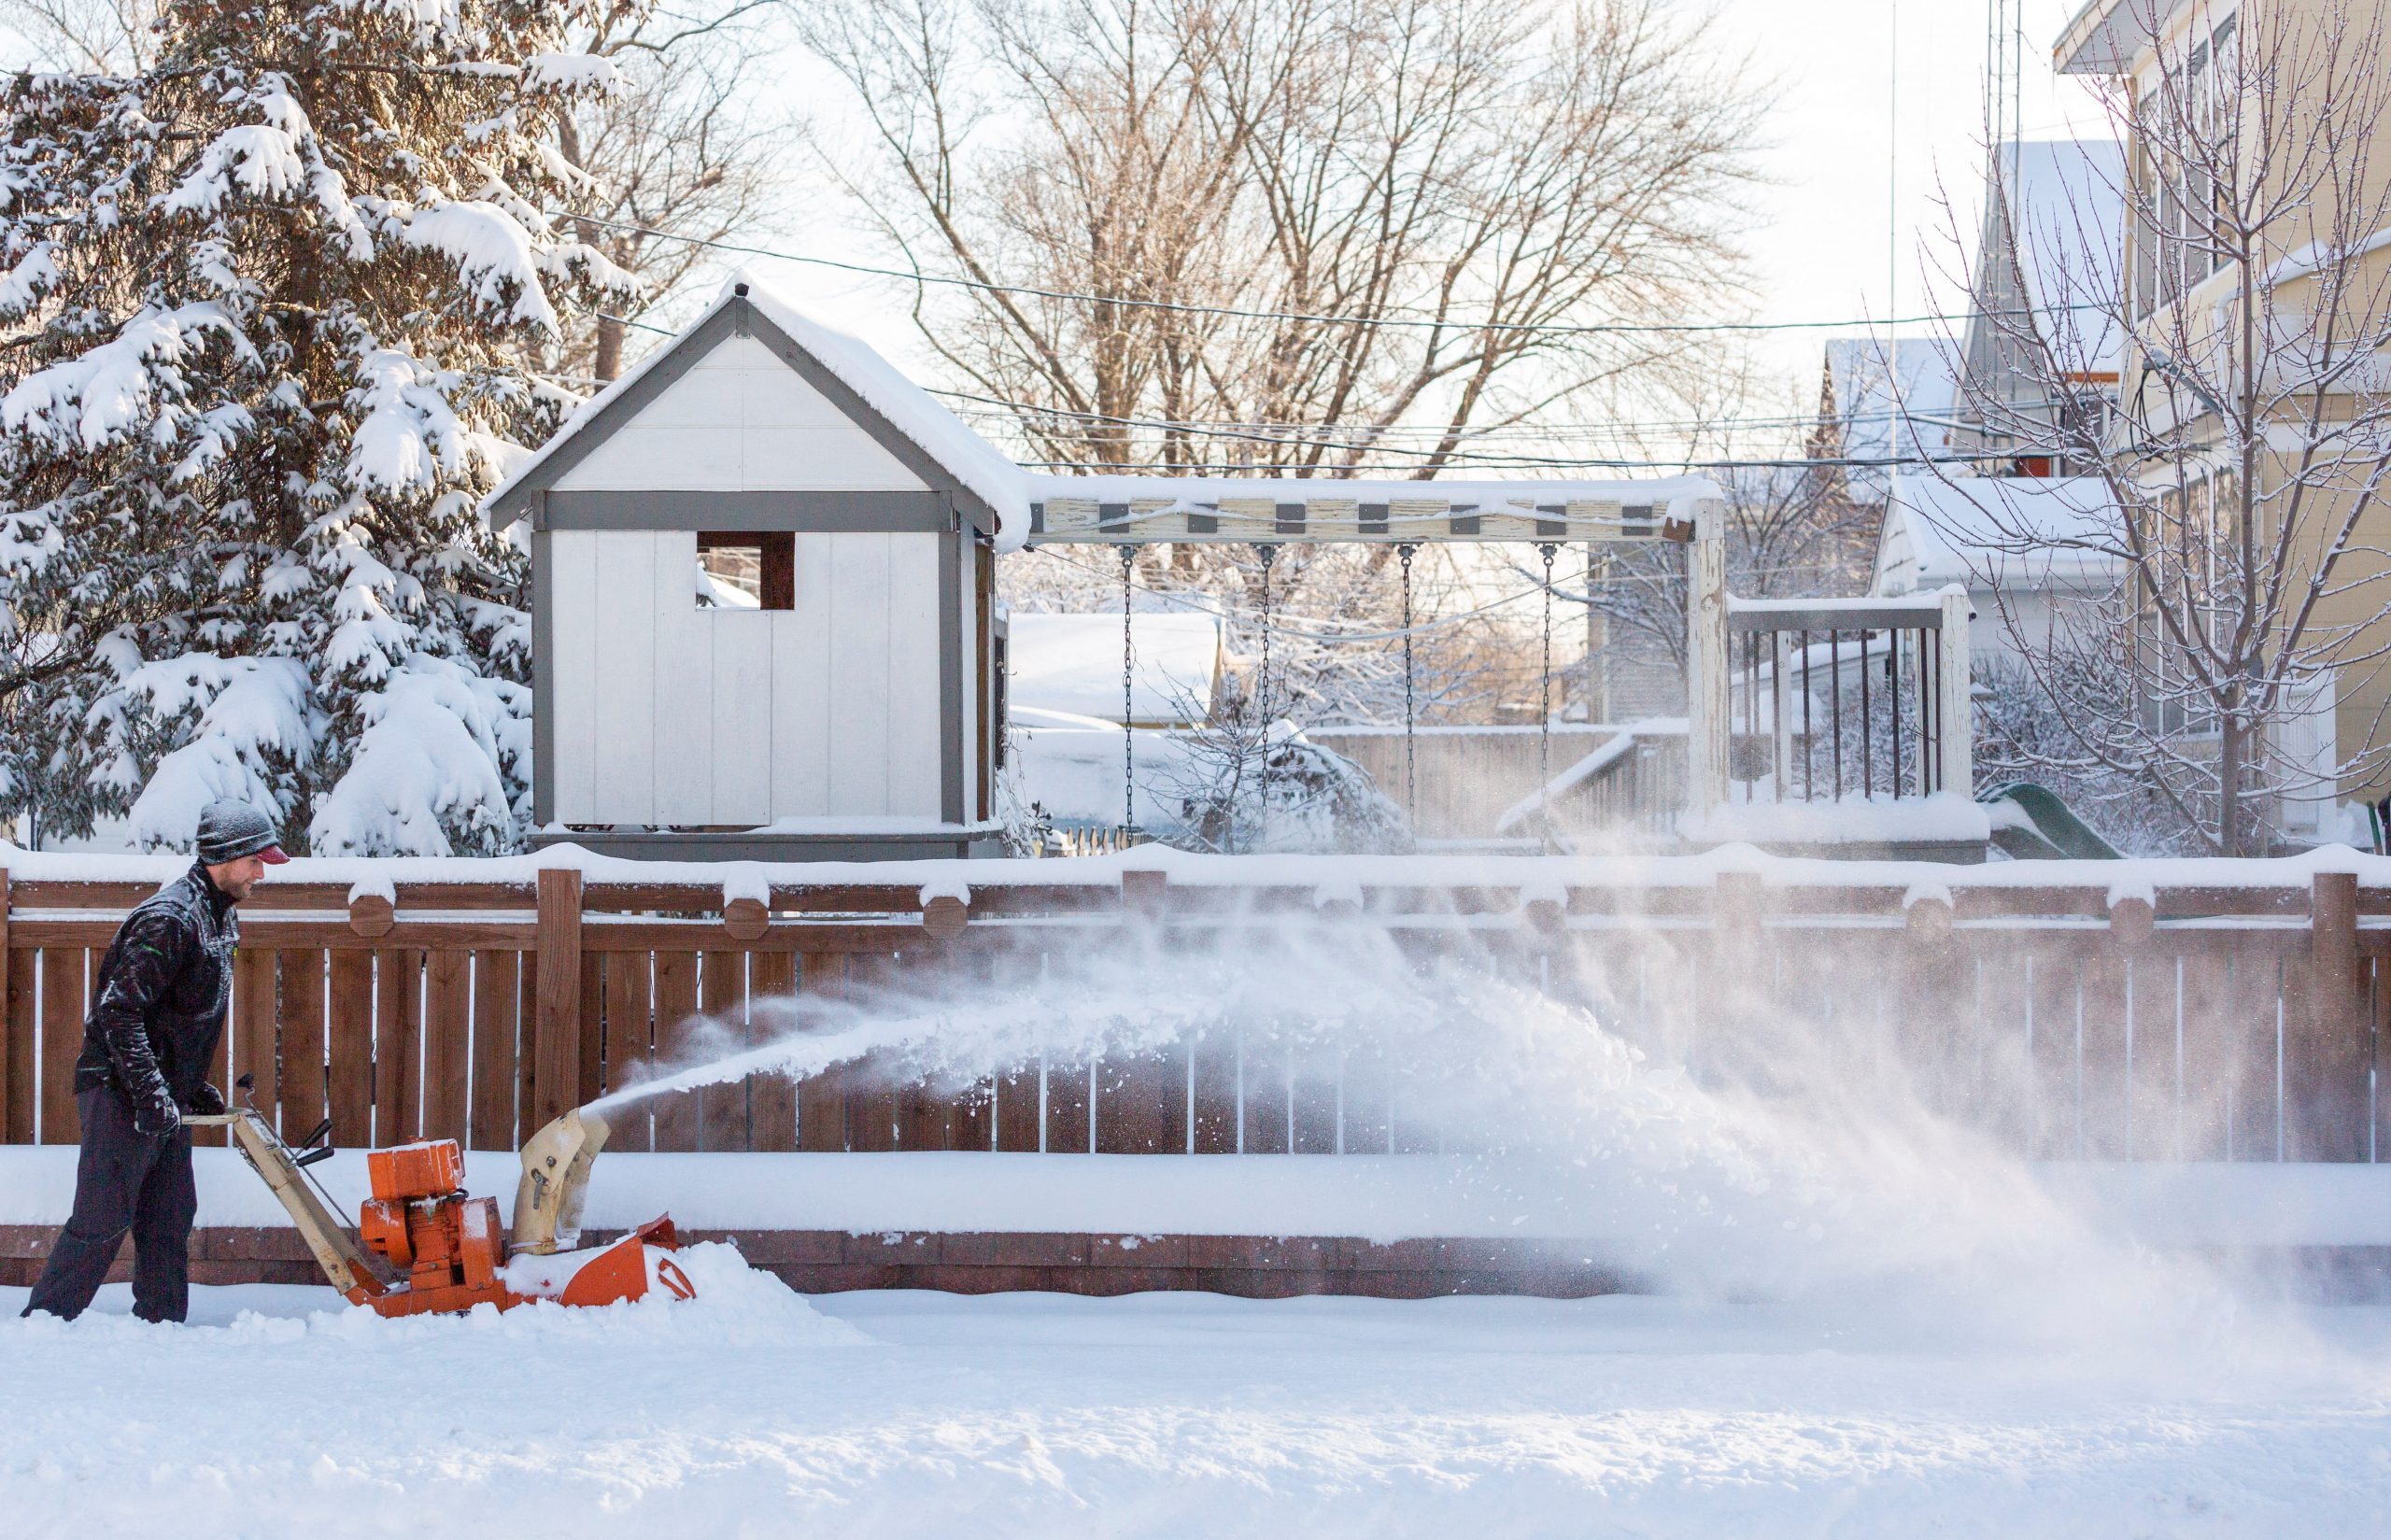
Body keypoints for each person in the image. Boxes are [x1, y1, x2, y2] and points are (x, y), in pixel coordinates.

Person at [21, 800, 288, 1322]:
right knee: (102, 1218)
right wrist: (151, 1092)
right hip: (119, 1087)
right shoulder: (168, 921)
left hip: (161, 1094)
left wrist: (189, 1085)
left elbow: (179, 1016)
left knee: (169, 1216)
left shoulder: (217, 918)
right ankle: (46, 1327)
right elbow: (117, 1013)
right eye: (255, 861)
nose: (261, 873)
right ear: (225, 857)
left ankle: (161, 1330)